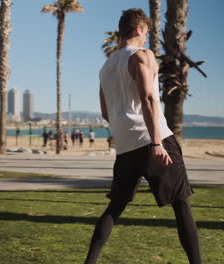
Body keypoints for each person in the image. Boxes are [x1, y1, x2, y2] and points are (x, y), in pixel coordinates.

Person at [84, 8, 201, 264]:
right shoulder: (142, 55)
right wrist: (157, 142)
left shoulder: (106, 67)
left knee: (115, 208)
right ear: (139, 29)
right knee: (181, 204)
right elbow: (149, 98)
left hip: (125, 147)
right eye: (147, 32)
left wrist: (126, 130)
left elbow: (106, 112)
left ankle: (89, 262)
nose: (147, 38)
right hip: (154, 140)